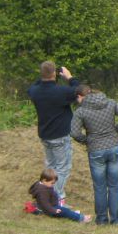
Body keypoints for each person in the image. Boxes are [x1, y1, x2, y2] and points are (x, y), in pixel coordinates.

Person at [70, 84, 118, 225]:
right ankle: (116, 219)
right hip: (114, 146)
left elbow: (74, 132)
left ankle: (102, 219)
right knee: (114, 185)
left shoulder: (81, 111)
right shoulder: (110, 102)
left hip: (96, 149)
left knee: (100, 186)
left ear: (82, 96)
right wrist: (116, 130)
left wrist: (86, 140)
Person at [27, 61, 80, 202]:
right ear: (54, 74)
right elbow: (78, 90)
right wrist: (69, 77)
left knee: (50, 166)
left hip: (45, 134)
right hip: (60, 135)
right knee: (63, 168)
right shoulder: (60, 91)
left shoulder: (35, 91)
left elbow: (33, 86)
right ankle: (55, 196)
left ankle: (45, 193)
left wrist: (45, 76)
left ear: (42, 75)